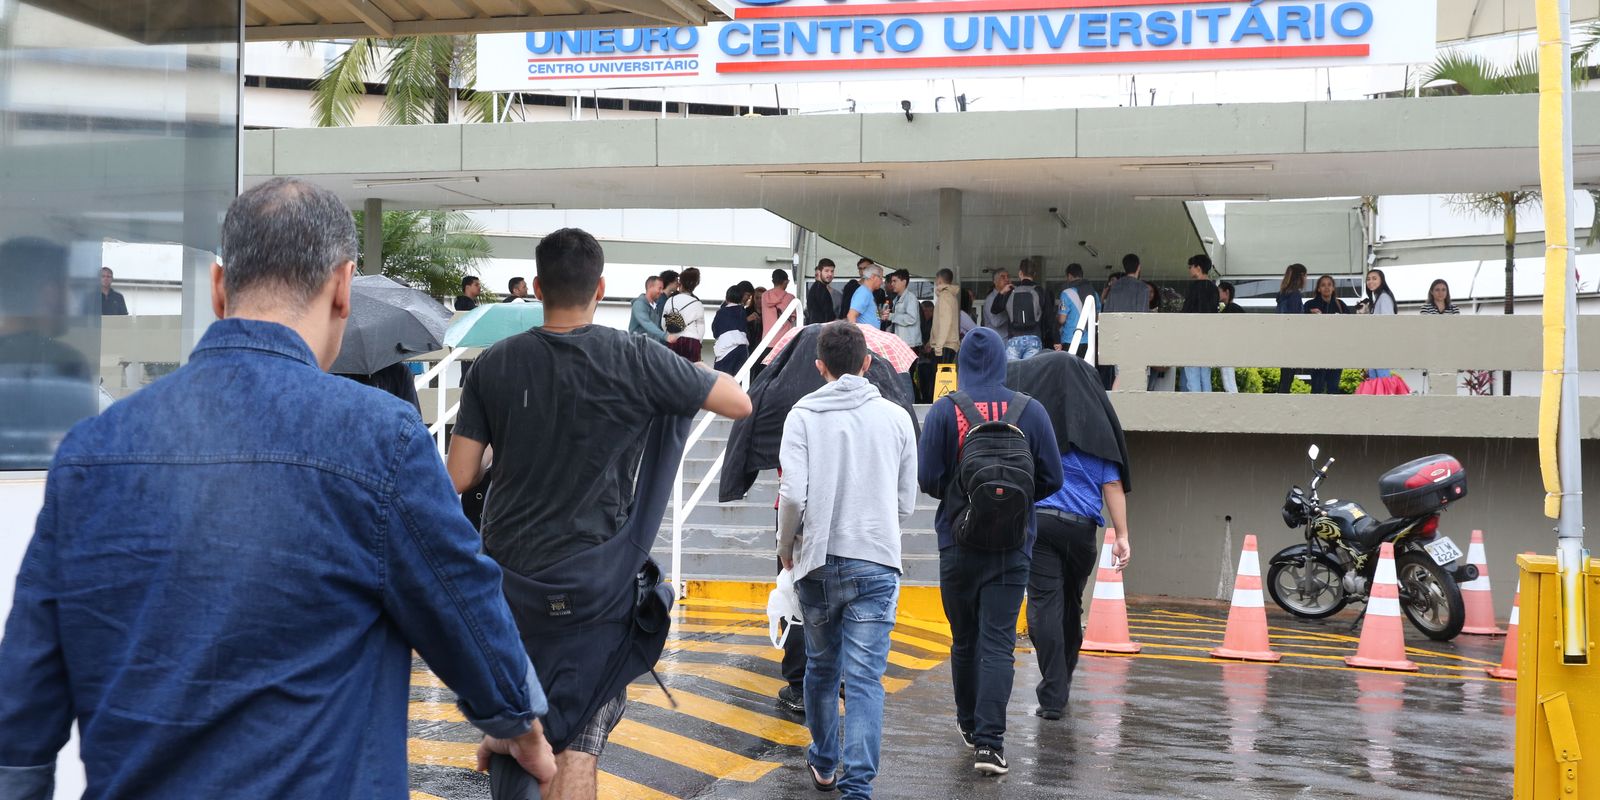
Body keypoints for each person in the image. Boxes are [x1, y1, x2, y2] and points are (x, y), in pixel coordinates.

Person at [0, 177, 557, 798]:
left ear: (218, 288)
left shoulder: (90, 453)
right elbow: (465, 606)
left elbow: (21, 717)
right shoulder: (380, 440)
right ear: (343, 287)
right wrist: (516, 722)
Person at [447, 228, 751, 800]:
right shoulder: (635, 357)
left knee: (522, 725)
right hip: (596, 588)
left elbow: (458, 478)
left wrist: (497, 450)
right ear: (601, 287)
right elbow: (738, 402)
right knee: (578, 742)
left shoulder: (495, 364)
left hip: (510, 586)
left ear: (537, 287)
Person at [776, 321, 918, 799]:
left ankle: (824, 761)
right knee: (864, 680)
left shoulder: (802, 414)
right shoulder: (898, 418)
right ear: (867, 364)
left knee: (820, 668)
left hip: (816, 561)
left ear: (821, 368)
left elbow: (793, 494)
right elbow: (906, 503)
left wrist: (785, 547)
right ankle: (859, 788)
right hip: (876, 562)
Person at [917, 327, 1062, 777]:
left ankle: (967, 723)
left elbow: (927, 478)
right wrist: (1009, 501)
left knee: (964, 640)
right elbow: (1053, 478)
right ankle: (990, 744)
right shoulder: (1030, 410)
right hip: (1013, 546)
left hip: (956, 544)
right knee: (998, 642)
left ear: (963, 364)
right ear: (1003, 361)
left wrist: (967, 496)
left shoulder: (946, 410)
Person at [1008, 353, 1131, 722]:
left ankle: (1053, 691)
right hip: (1081, 531)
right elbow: (1112, 484)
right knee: (1070, 604)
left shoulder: (1034, 427)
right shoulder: (1098, 432)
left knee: (1045, 603)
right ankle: (1061, 680)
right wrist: (1122, 535)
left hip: (1040, 524)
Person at [1180, 254, 1220, 392]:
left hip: (1193, 335)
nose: (1189, 270)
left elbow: (1186, 311)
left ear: (1198, 267)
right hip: (1208, 336)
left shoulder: (1194, 287)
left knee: (1192, 374)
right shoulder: (1214, 288)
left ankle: (1195, 406)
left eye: (1190, 267)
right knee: (1205, 375)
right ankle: (1206, 405)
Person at [1303, 274, 1349, 395]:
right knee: (1316, 387)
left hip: (1336, 351)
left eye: (1329, 285)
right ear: (1318, 288)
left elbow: (1350, 325)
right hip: (1317, 351)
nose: (1326, 287)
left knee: (1333, 388)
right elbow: (1302, 326)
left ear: (1333, 288)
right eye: (1323, 285)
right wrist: (1309, 315)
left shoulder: (1341, 305)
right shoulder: (1309, 305)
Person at [993, 260, 1044, 361]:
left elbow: (994, 309)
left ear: (1020, 273)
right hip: (1034, 337)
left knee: (1013, 373)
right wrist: (1054, 339)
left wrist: (1002, 292)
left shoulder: (1011, 290)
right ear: (1034, 274)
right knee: (1032, 374)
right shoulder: (1040, 290)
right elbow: (1047, 317)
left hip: (1014, 338)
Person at [1275, 264, 1308, 393]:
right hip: (1292, 341)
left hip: (1282, 340)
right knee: (1288, 378)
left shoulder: (1283, 295)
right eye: (1305, 275)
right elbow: (1294, 320)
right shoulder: (1295, 295)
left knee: (1285, 377)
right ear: (1301, 276)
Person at [1359, 268, 1398, 380]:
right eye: (1368, 279)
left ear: (1382, 281)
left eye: (1374, 278)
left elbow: (1387, 323)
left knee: (1382, 382)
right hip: (1376, 348)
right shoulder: (1378, 299)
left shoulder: (1384, 297)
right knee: (1376, 382)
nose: (1370, 281)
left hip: (1381, 348)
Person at [663, 267, 705, 362]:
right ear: (695, 284)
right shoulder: (697, 303)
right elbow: (701, 328)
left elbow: (663, 323)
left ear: (680, 283)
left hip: (673, 340)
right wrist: (698, 342)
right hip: (691, 341)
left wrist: (669, 335)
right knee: (690, 373)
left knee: (672, 372)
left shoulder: (670, 300)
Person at [713, 284, 751, 375]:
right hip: (742, 347)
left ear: (726, 297)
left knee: (723, 379)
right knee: (739, 379)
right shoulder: (742, 311)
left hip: (727, 348)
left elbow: (715, 332)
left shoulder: (721, 312)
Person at [1055, 263, 1090, 356]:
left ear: (1069, 276)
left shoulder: (1066, 293)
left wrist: (1056, 317)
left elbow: (1062, 319)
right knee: (1083, 369)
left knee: (1070, 368)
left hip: (1070, 338)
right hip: (1087, 340)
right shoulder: (1093, 293)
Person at [1216, 281, 1244, 393]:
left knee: (1228, 375)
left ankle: (1232, 396)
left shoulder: (1231, 309)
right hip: (1233, 347)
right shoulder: (1234, 308)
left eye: (1219, 292)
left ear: (1226, 292)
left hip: (1229, 348)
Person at [929, 269, 961, 359]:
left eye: (936, 279)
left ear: (939, 280)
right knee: (946, 373)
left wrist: (938, 347)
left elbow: (945, 322)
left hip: (944, 346)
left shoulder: (944, 296)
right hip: (948, 345)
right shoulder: (951, 296)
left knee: (940, 373)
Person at [887, 269, 922, 350]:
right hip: (901, 342)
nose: (892, 284)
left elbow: (911, 318)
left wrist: (891, 316)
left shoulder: (910, 298)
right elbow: (897, 323)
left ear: (904, 282)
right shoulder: (897, 299)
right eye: (892, 281)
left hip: (909, 344)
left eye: (895, 281)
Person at [762, 268, 797, 344]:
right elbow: (793, 319)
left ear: (773, 281)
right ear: (786, 282)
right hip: (784, 341)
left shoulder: (764, 295)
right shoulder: (791, 298)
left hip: (767, 341)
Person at [629, 275, 667, 342]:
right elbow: (646, 322)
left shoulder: (655, 305)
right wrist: (665, 336)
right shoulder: (639, 304)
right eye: (659, 288)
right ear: (650, 287)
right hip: (638, 348)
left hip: (651, 347)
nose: (662, 292)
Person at [847, 264, 886, 330]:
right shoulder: (863, 292)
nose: (882, 282)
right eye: (881, 278)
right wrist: (856, 337)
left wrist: (880, 317)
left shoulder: (867, 292)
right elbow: (851, 316)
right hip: (865, 338)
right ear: (873, 277)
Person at [805, 259, 838, 324]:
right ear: (819, 272)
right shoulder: (819, 289)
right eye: (826, 271)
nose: (830, 274)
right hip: (820, 330)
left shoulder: (819, 288)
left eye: (832, 271)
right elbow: (828, 316)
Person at [980, 269, 1011, 338]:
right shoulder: (991, 299)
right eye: (1003, 277)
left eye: (1008, 277)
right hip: (997, 340)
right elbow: (995, 322)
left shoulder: (1009, 296)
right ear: (995, 282)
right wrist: (1010, 311)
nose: (1007, 279)